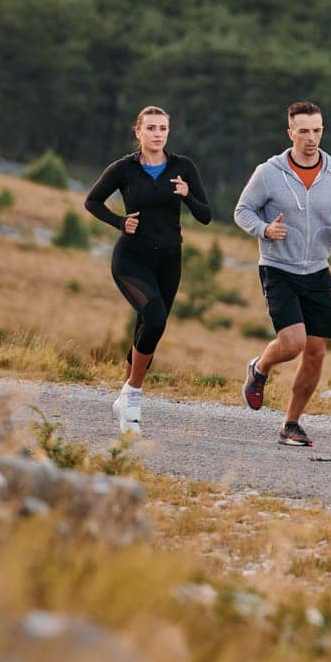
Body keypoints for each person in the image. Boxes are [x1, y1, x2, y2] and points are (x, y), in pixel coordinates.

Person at [234, 100, 331, 447]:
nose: (311, 138)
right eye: (304, 131)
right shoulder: (269, 173)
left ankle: (291, 423)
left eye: (317, 130)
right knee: (293, 344)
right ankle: (259, 368)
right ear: (290, 132)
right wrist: (264, 230)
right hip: (278, 268)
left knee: (316, 351)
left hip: (317, 271)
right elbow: (242, 210)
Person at [84, 106, 212, 434]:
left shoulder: (183, 167)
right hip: (131, 258)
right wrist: (119, 222)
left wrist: (187, 196)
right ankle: (132, 396)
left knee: (150, 328)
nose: (158, 133)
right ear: (138, 132)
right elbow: (92, 201)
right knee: (154, 317)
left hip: (169, 259)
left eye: (163, 128)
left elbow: (206, 215)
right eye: (151, 128)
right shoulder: (124, 169)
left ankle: (127, 407)